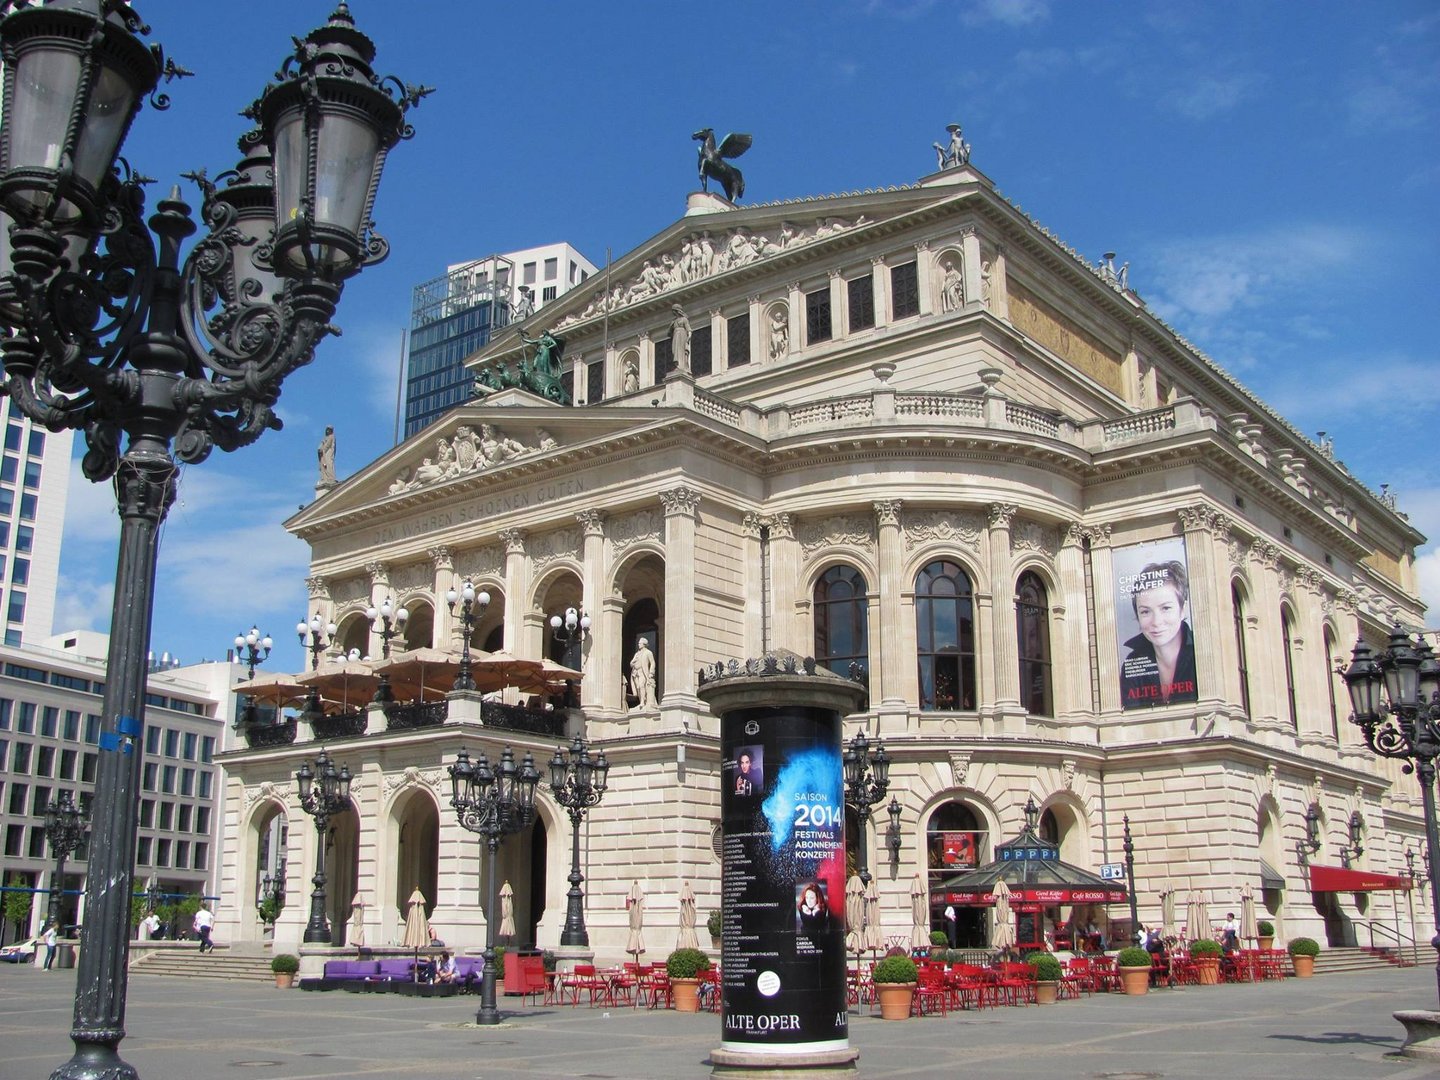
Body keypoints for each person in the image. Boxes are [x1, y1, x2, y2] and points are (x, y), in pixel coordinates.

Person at [1119, 560, 1198, 708]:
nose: (1156, 621)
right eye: (1145, 611)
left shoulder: (1202, 652)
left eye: (1166, 608)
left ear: (1183, 609)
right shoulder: (1132, 663)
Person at [629, 636, 657, 710]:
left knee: (642, 685)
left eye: (640, 643)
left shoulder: (648, 652)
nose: (638, 644)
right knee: (638, 687)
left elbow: (653, 662)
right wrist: (633, 662)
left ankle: (642, 701)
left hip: (643, 672)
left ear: (644, 644)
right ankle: (642, 700)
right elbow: (631, 663)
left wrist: (651, 672)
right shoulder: (637, 654)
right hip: (635, 673)